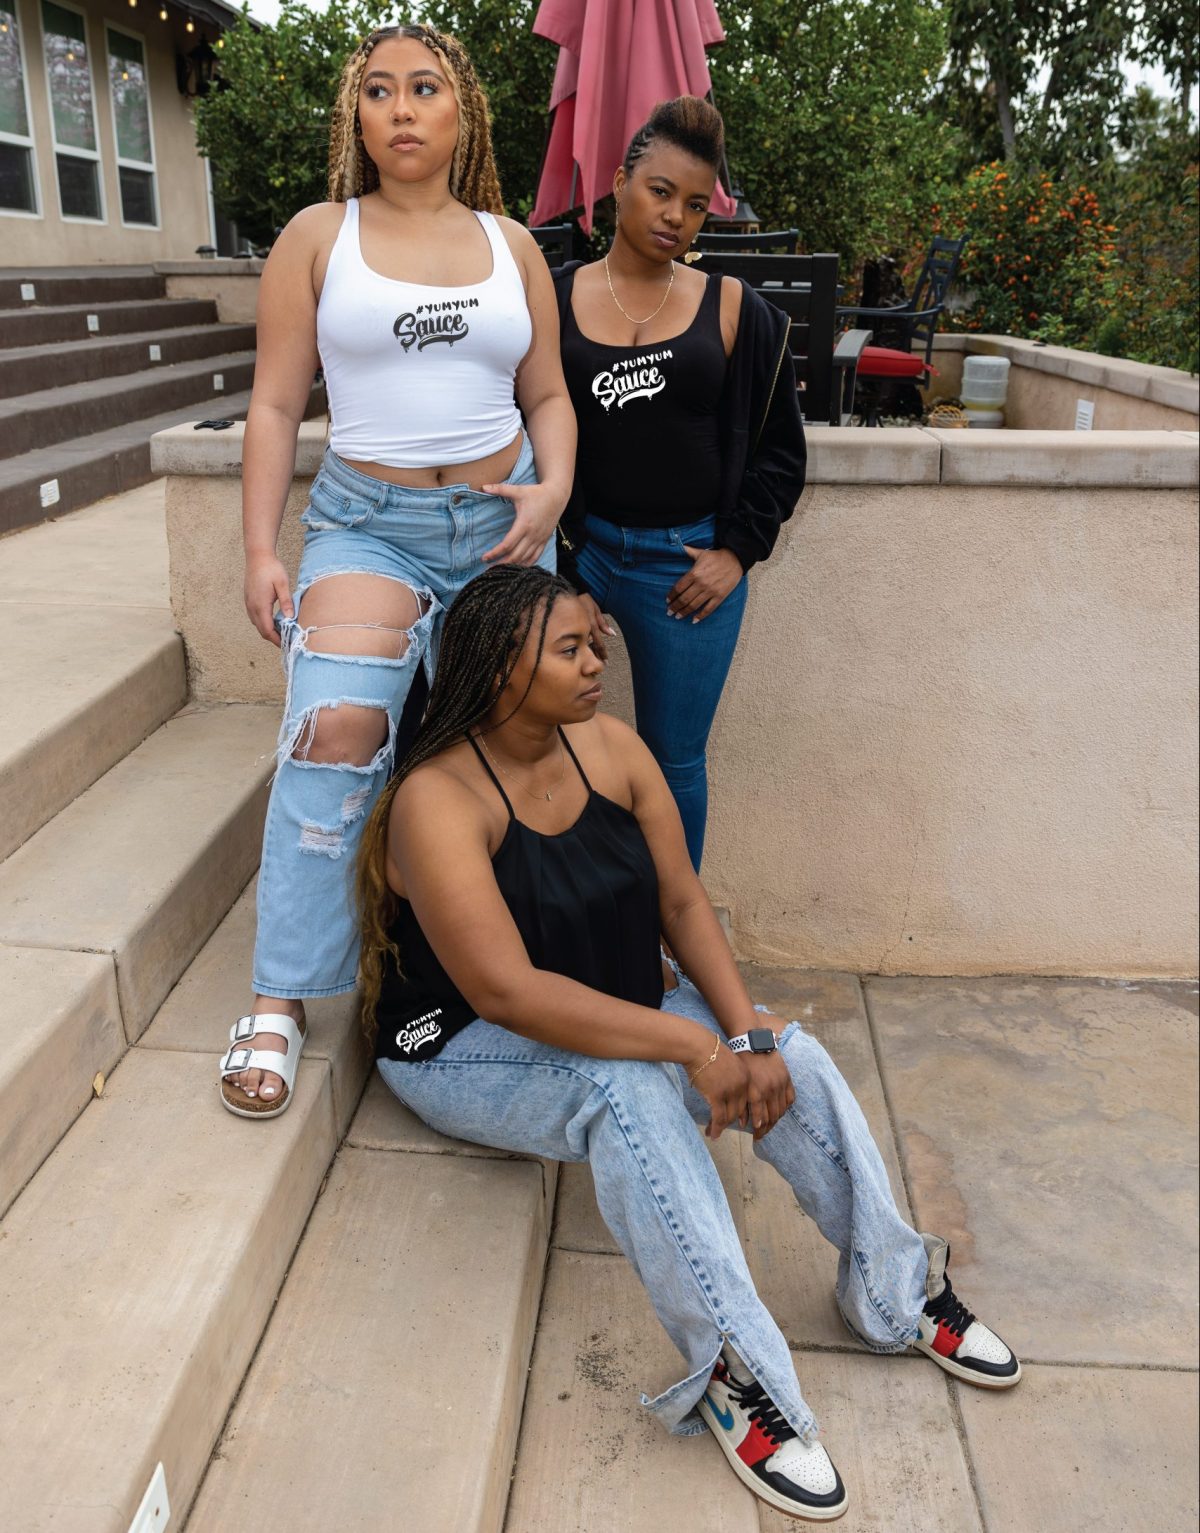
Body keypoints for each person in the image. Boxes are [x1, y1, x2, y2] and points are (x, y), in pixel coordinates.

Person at [359, 565, 1020, 1524]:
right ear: (501, 669)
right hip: (459, 1041)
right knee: (624, 1088)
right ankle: (733, 1372)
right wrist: (691, 1046)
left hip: (605, 998)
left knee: (792, 1053)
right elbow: (506, 989)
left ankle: (895, 1287)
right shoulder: (438, 797)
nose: (598, 662)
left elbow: (680, 901)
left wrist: (743, 1032)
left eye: (597, 643)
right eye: (572, 649)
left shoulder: (610, 749)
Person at [217, 22, 575, 1119]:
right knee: (336, 732)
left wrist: (554, 489)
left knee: (516, 752)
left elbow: (549, 395)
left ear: (463, 112)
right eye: (380, 92)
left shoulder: (514, 246)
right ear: (356, 117)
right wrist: (262, 547)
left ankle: (520, 969)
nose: (403, 109)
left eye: (426, 89)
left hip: (501, 525)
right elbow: (276, 403)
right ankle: (283, 996)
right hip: (366, 527)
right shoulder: (318, 237)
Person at [553, 97, 805, 871]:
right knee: (547, 745)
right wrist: (564, 576)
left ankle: (670, 934)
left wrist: (737, 552)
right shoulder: (551, 295)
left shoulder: (735, 308)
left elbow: (781, 451)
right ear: (622, 181)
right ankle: (575, 916)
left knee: (675, 763)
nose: (677, 218)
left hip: (686, 567)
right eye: (661, 192)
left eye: (696, 206)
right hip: (585, 555)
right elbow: (530, 435)